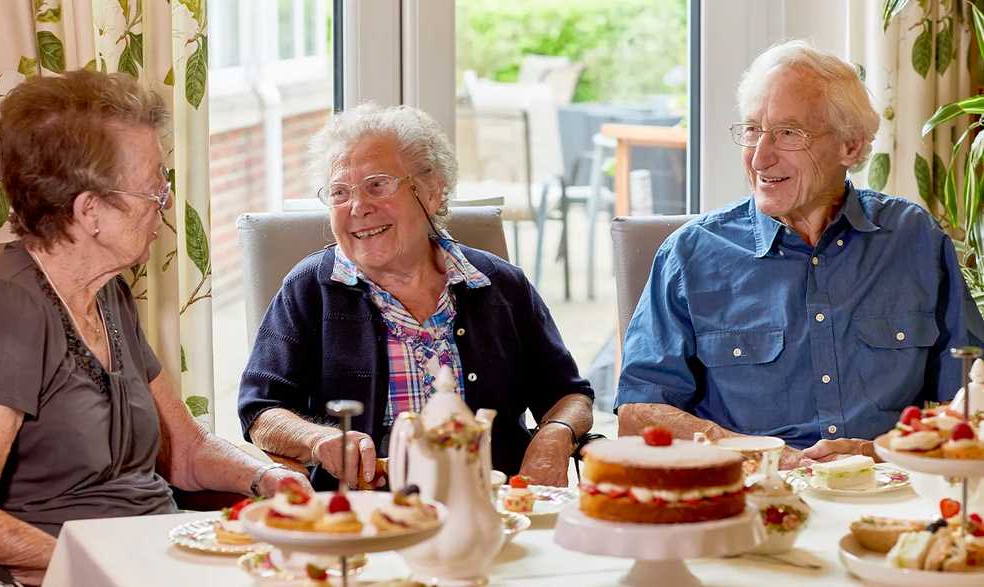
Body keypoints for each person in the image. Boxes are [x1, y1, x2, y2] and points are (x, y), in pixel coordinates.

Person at [0, 70, 309, 586]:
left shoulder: (108, 292)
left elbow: (185, 452)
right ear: (90, 211)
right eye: (153, 186)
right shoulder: (7, 309)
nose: (164, 201)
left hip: (156, 551)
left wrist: (268, 477)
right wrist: (95, 569)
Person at [616, 40, 984, 468]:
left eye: (789, 133)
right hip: (752, 498)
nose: (759, 157)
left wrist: (880, 452)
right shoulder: (691, 253)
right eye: (752, 130)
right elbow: (638, 413)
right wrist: (758, 453)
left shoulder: (913, 237)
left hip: (891, 493)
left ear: (850, 147)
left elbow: (970, 390)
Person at [238, 104, 593, 489]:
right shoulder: (310, 288)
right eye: (340, 193)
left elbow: (569, 393)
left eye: (377, 184)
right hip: (366, 511)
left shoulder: (498, 285)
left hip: (492, 504)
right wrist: (318, 438)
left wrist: (556, 433)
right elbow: (261, 410)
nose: (358, 207)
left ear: (433, 190)